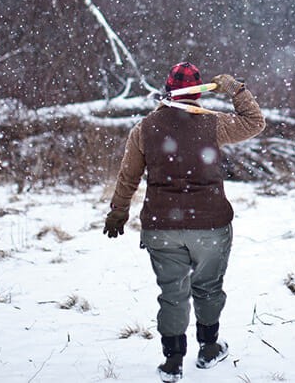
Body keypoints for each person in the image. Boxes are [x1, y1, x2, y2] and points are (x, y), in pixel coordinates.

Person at [103, 62, 266, 382]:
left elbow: (128, 176)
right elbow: (255, 122)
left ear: (167, 90)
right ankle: (208, 348)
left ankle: (173, 360)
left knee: (172, 292)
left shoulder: (144, 128)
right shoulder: (213, 124)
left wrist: (118, 211)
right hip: (211, 225)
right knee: (207, 288)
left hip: (161, 227)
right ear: (198, 92)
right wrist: (236, 89)